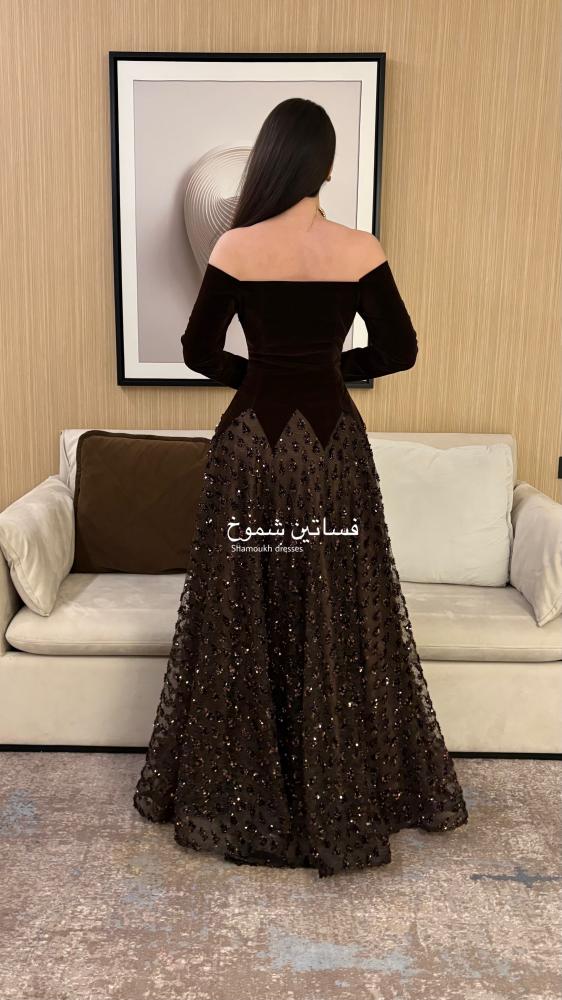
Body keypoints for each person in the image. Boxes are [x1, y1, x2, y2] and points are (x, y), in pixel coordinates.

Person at [133, 97, 468, 878]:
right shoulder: (358, 247)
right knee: (335, 600)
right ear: (325, 164)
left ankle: (243, 788)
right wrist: (327, 369)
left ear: (269, 161)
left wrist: (261, 376)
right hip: (330, 446)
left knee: (242, 607)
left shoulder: (235, 245)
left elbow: (196, 350)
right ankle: (338, 788)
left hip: (252, 444)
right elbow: (400, 349)